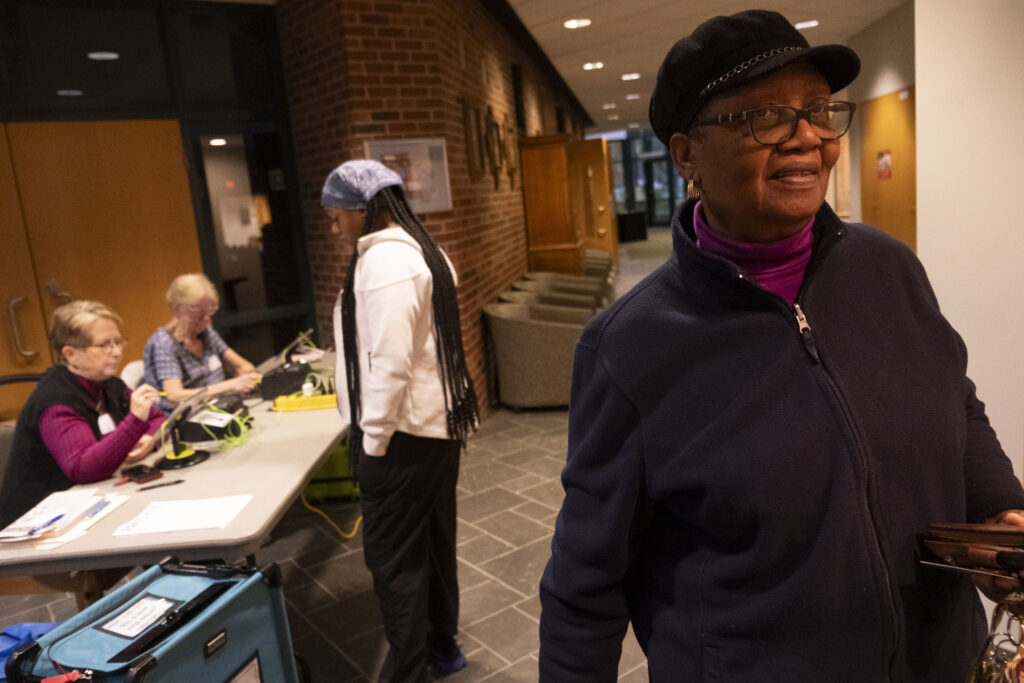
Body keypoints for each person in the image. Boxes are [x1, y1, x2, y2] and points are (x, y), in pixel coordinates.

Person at [538, 9, 1024, 682]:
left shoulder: (889, 268)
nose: (807, 138)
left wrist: (1000, 514)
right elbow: (584, 586)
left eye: (817, 110)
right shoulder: (631, 347)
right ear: (686, 155)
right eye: (765, 116)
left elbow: (957, 406)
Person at [322, 160, 479, 682]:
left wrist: (372, 443)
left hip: (401, 439)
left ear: (359, 209)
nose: (333, 227)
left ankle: (408, 672)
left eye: (335, 215)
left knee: (394, 564)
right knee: (432, 546)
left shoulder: (384, 264)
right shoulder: (420, 251)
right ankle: (442, 648)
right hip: (435, 432)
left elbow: (388, 362)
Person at [0, 301, 165, 528]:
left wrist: (148, 440)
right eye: (104, 345)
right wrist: (135, 422)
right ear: (71, 354)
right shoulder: (55, 402)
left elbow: (156, 418)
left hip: (90, 505)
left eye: (118, 342)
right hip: (39, 527)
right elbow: (84, 469)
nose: (117, 352)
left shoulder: (109, 384)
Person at [142, 273, 260, 414]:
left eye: (210, 313)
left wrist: (246, 375)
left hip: (218, 407)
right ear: (178, 309)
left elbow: (242, 365)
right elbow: (174, 396)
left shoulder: (206, 333)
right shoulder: (163, 343)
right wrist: (229, 385)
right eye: (199, 314)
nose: (207, 320)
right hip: (186, 418)